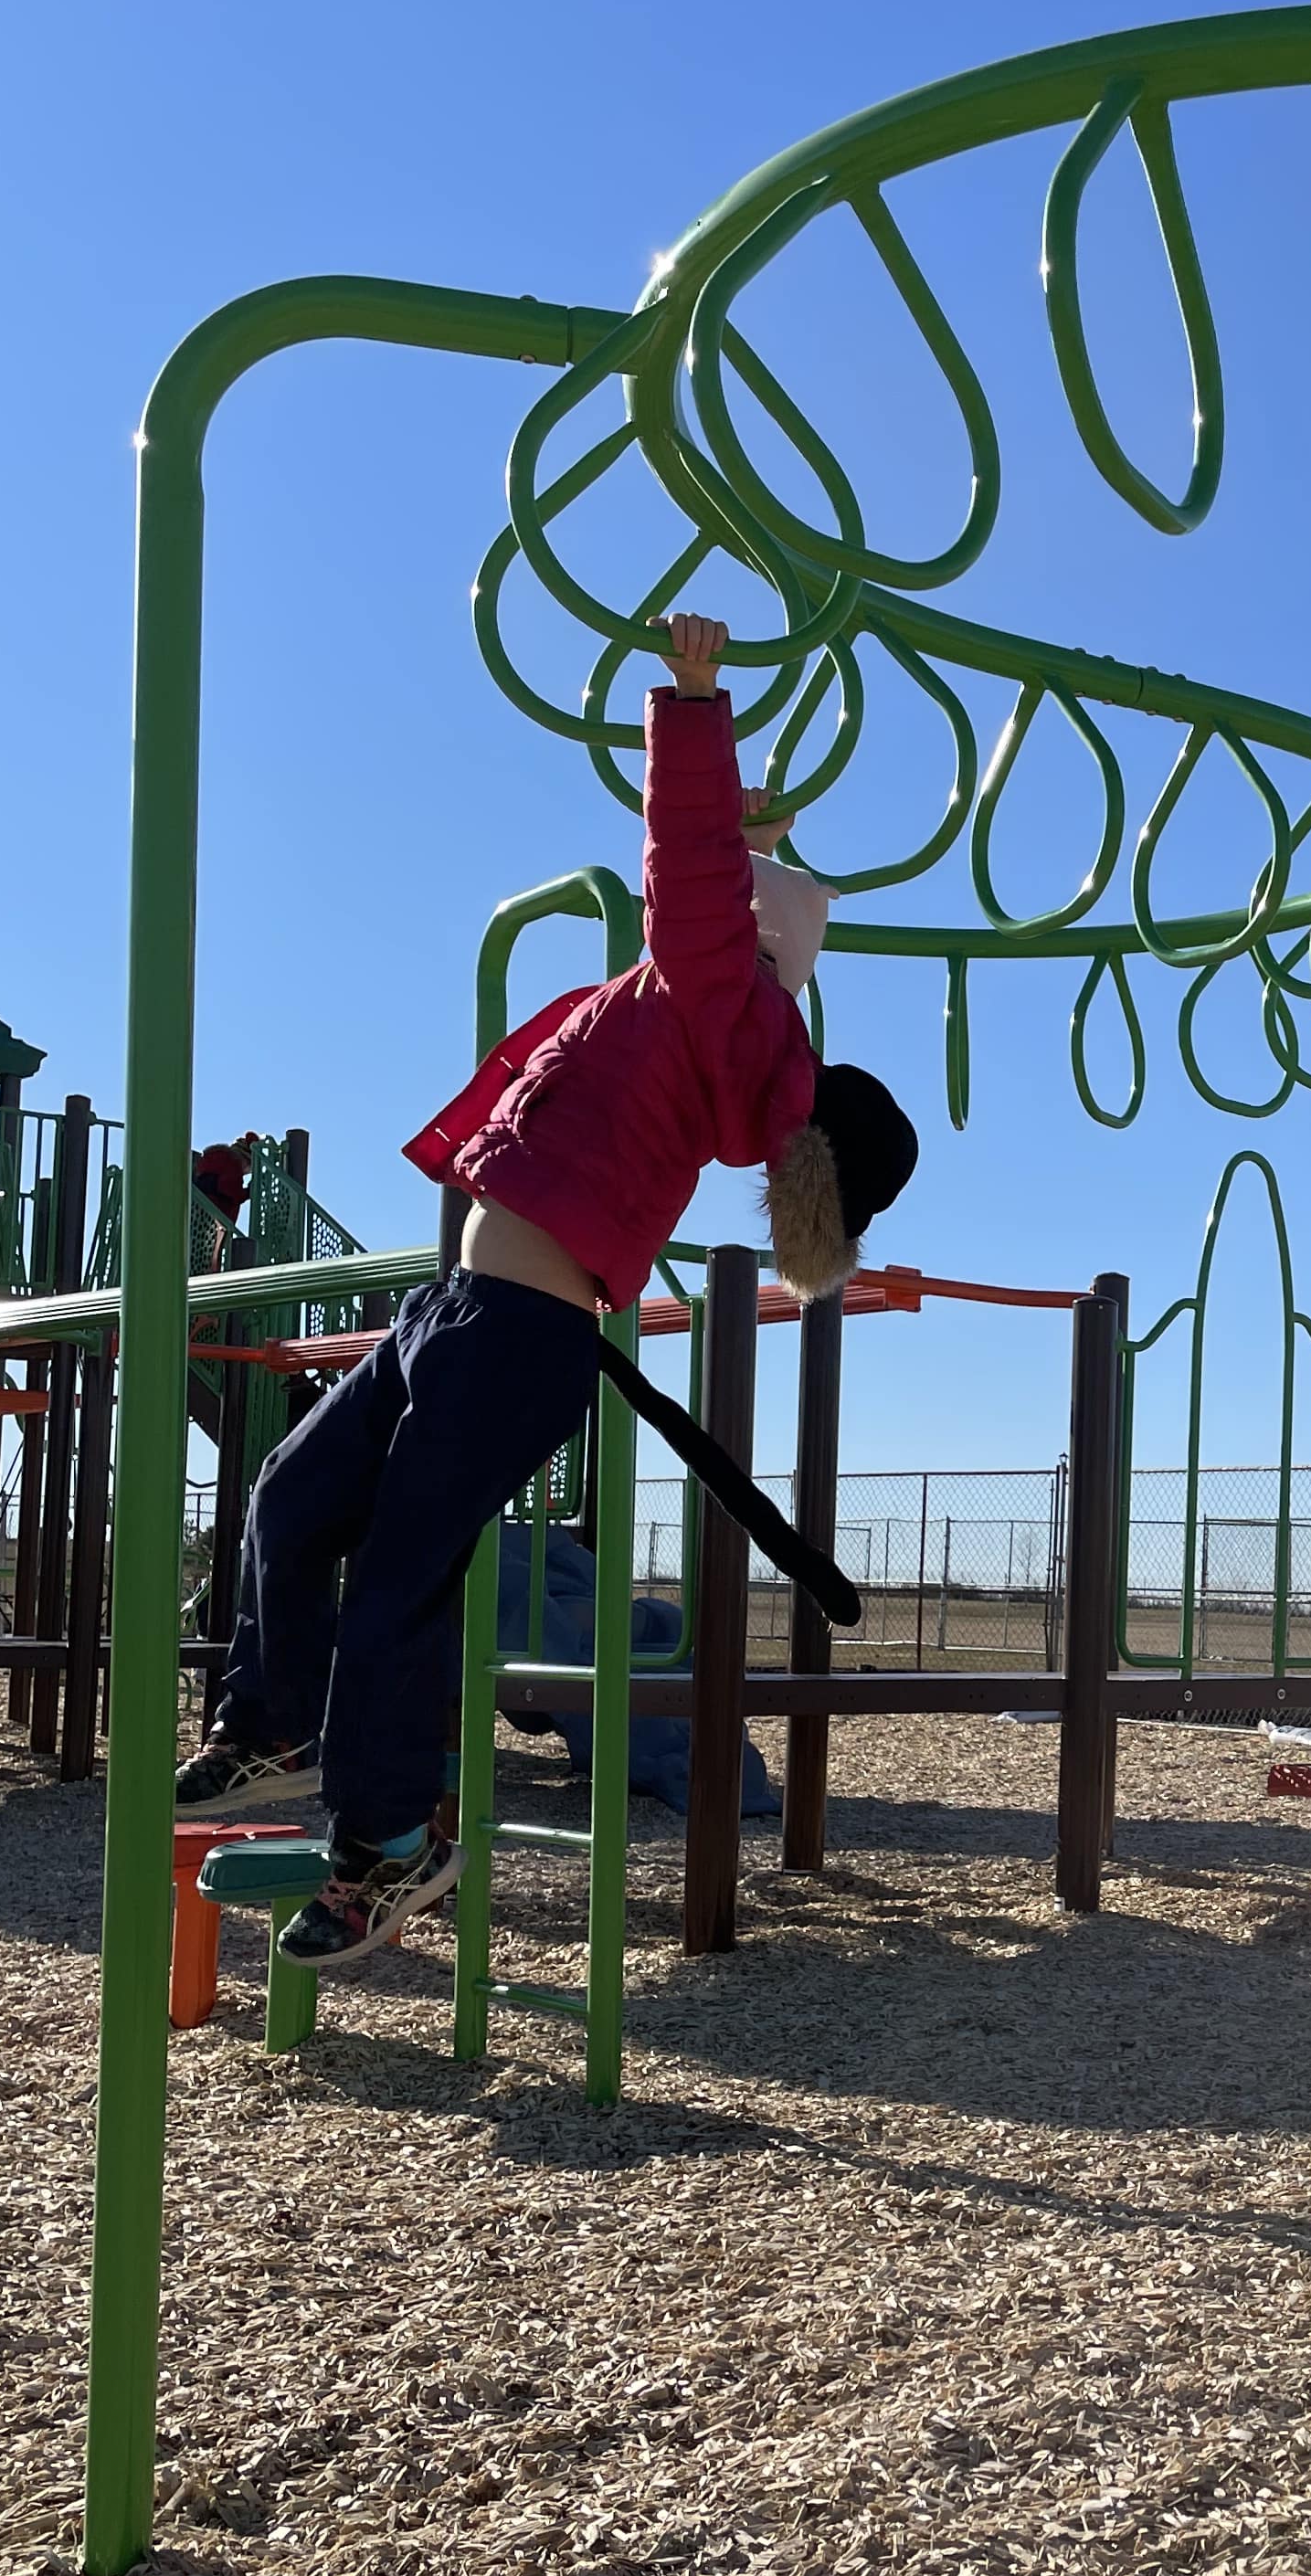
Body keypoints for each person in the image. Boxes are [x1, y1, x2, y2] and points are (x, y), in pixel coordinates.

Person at [174, 613, 919, 1959]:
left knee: (405, 1572)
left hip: (518, 1326)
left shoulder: (719, 998)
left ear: (750, 939)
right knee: (291, 1497)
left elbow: (687, 878)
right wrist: (747, 819)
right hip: (454, 1309)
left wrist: (696, 712)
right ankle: (270, 1717)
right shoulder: (682, 998)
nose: (704, 902)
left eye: (733, 895)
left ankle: (391, 1842)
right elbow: (700, 889)